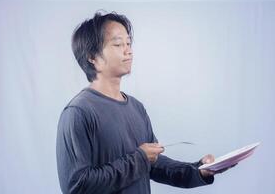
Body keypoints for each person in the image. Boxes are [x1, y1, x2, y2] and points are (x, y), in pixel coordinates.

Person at [56, 11, 225, 194]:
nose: (128, 50)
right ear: (92, 57)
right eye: (118, 44)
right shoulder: (78, 112)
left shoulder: (136, 107)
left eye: (128, 43)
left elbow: (154, 165)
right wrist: (140, 159)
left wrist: (200, 171)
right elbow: (77, 187)